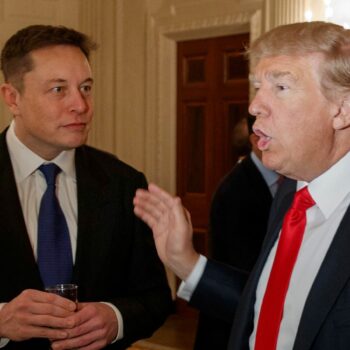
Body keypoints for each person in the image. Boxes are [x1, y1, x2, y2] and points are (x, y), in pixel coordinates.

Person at [134, 21, 350, 350]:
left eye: (280, 87)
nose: (254, 106)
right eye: (257, 87)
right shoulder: (290, 196)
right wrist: (185, 261)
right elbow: (273, 311)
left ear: (342, 110)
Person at [0, 25, 172, 350]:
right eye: (58, 90)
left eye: (86, 87)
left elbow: (155, 298)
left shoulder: (123, 183)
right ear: (13, 98)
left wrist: (115, 318)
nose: (81, 105)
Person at [194, 115, 279, 350]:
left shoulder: (288, 182)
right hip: (230, 321)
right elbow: (244, 266)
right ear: (255, 140)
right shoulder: (235, 190)